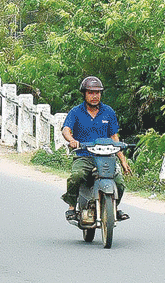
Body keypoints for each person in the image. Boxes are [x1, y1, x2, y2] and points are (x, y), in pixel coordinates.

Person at [61, 76, 132, 224]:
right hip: (84, 156)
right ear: (84, 94)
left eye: (98, 92)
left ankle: (113, 208)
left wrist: (123, 160)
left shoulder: (108, 112)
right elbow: (66, 129)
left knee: (119, 183)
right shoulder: (76, 112)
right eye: (91, 92)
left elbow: (114, 137)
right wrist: (72, 140)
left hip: (106, 156)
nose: (95, 96)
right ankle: (72, 207)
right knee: (77, 176)